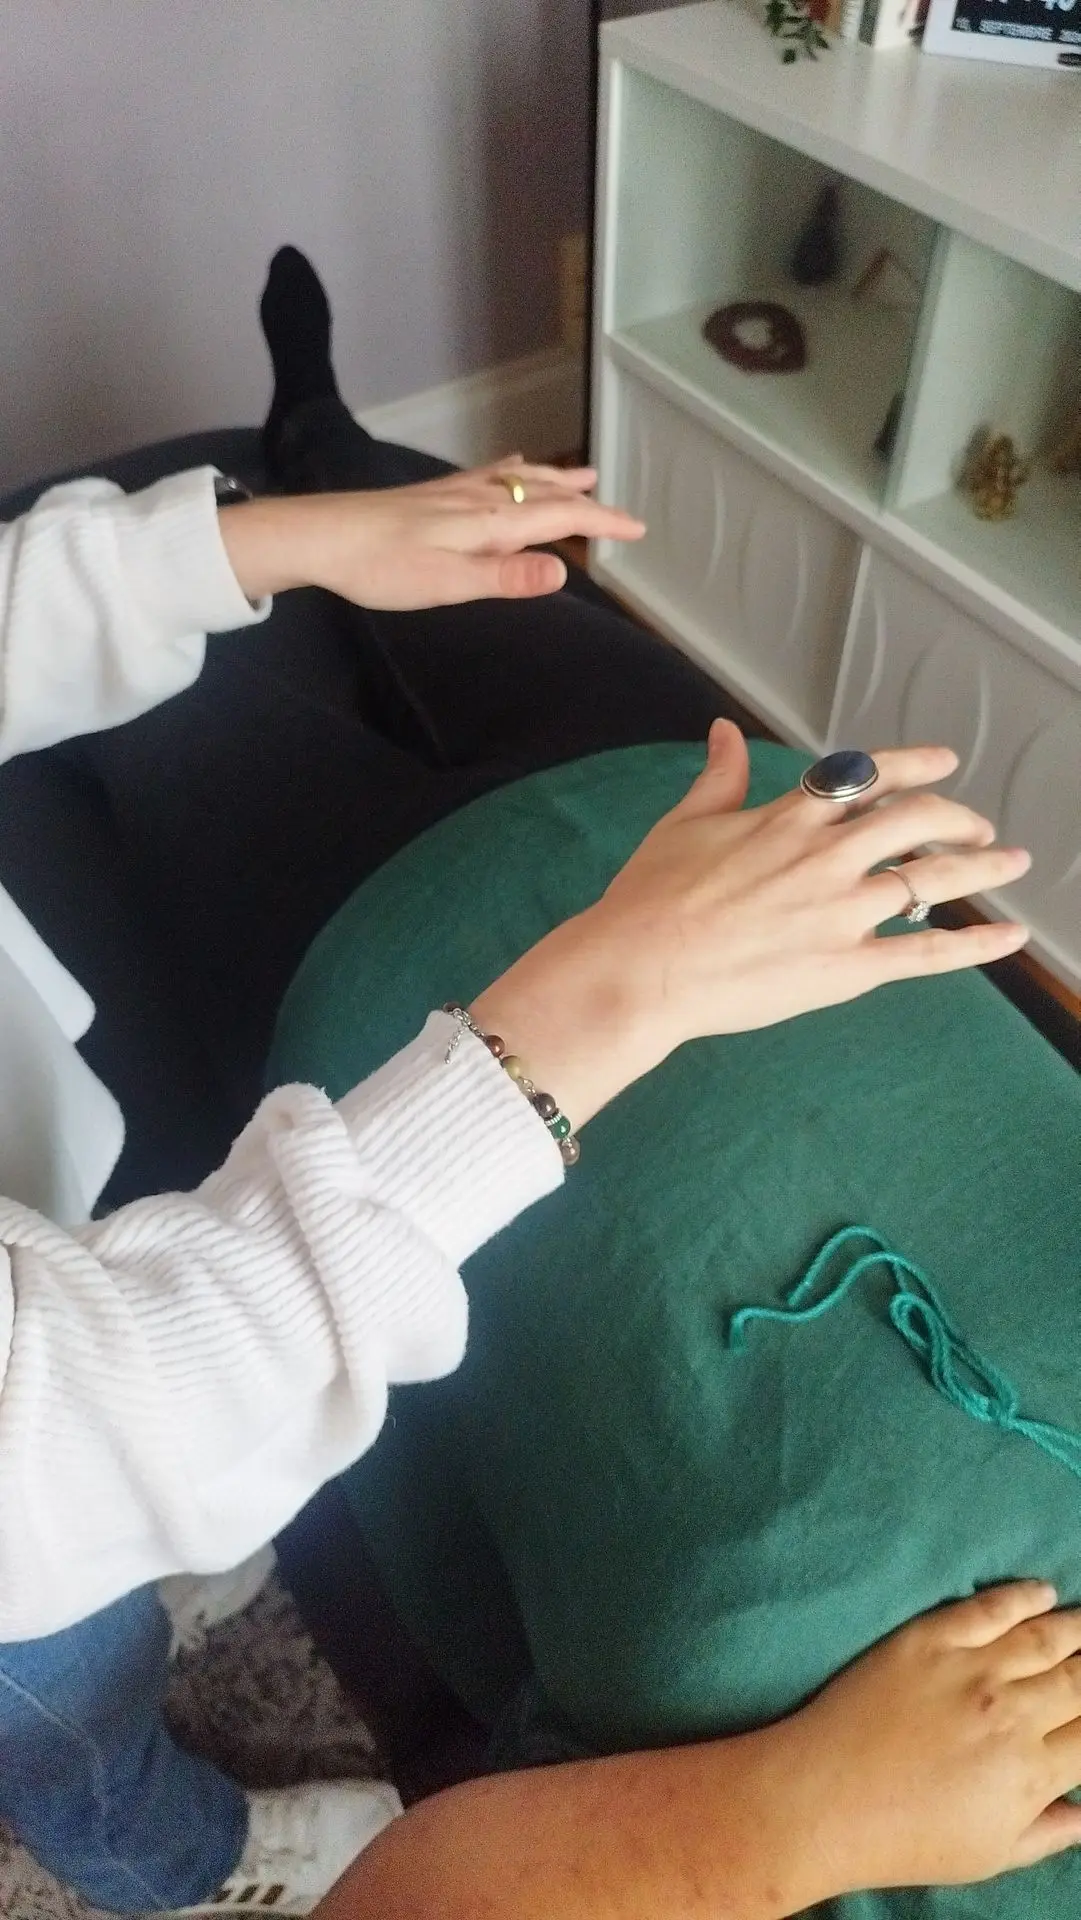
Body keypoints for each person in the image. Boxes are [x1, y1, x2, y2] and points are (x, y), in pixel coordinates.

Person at [0, 247, 1064, 1920]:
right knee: (58, 1663)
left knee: (389, 579)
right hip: (662, 857)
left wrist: (277, 542)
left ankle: (315, 442)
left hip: (419, 962)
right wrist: (621, 983)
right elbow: (56, 1430)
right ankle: (321, 425)